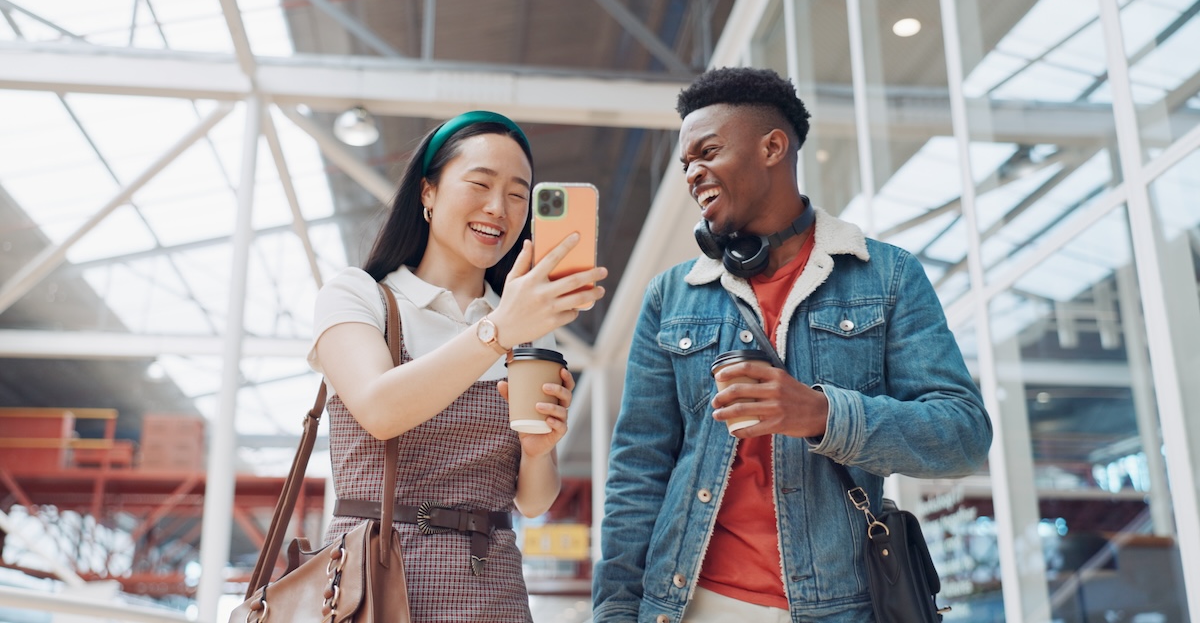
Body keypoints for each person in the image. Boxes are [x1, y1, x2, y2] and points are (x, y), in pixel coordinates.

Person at [592, 68, 992, 623]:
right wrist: (613, 614)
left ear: (773, 147)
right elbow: (638, 471)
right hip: (692, 605)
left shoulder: (887, 276)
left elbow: (963, 436)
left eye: (708, 152)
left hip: (842, 608)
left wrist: (822, 414)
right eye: (686, 164)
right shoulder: (671, 297)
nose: (693, 173)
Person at [308, 110, 607, 622]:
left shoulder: (528, 323)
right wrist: (498, 331)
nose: (499, 208)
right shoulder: (360, 296)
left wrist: (539, 451)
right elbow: (380, 409)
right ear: (427, 192)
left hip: (493, 593)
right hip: (372, 586)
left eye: (518, 194)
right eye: (480, 184)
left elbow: (533, 503)